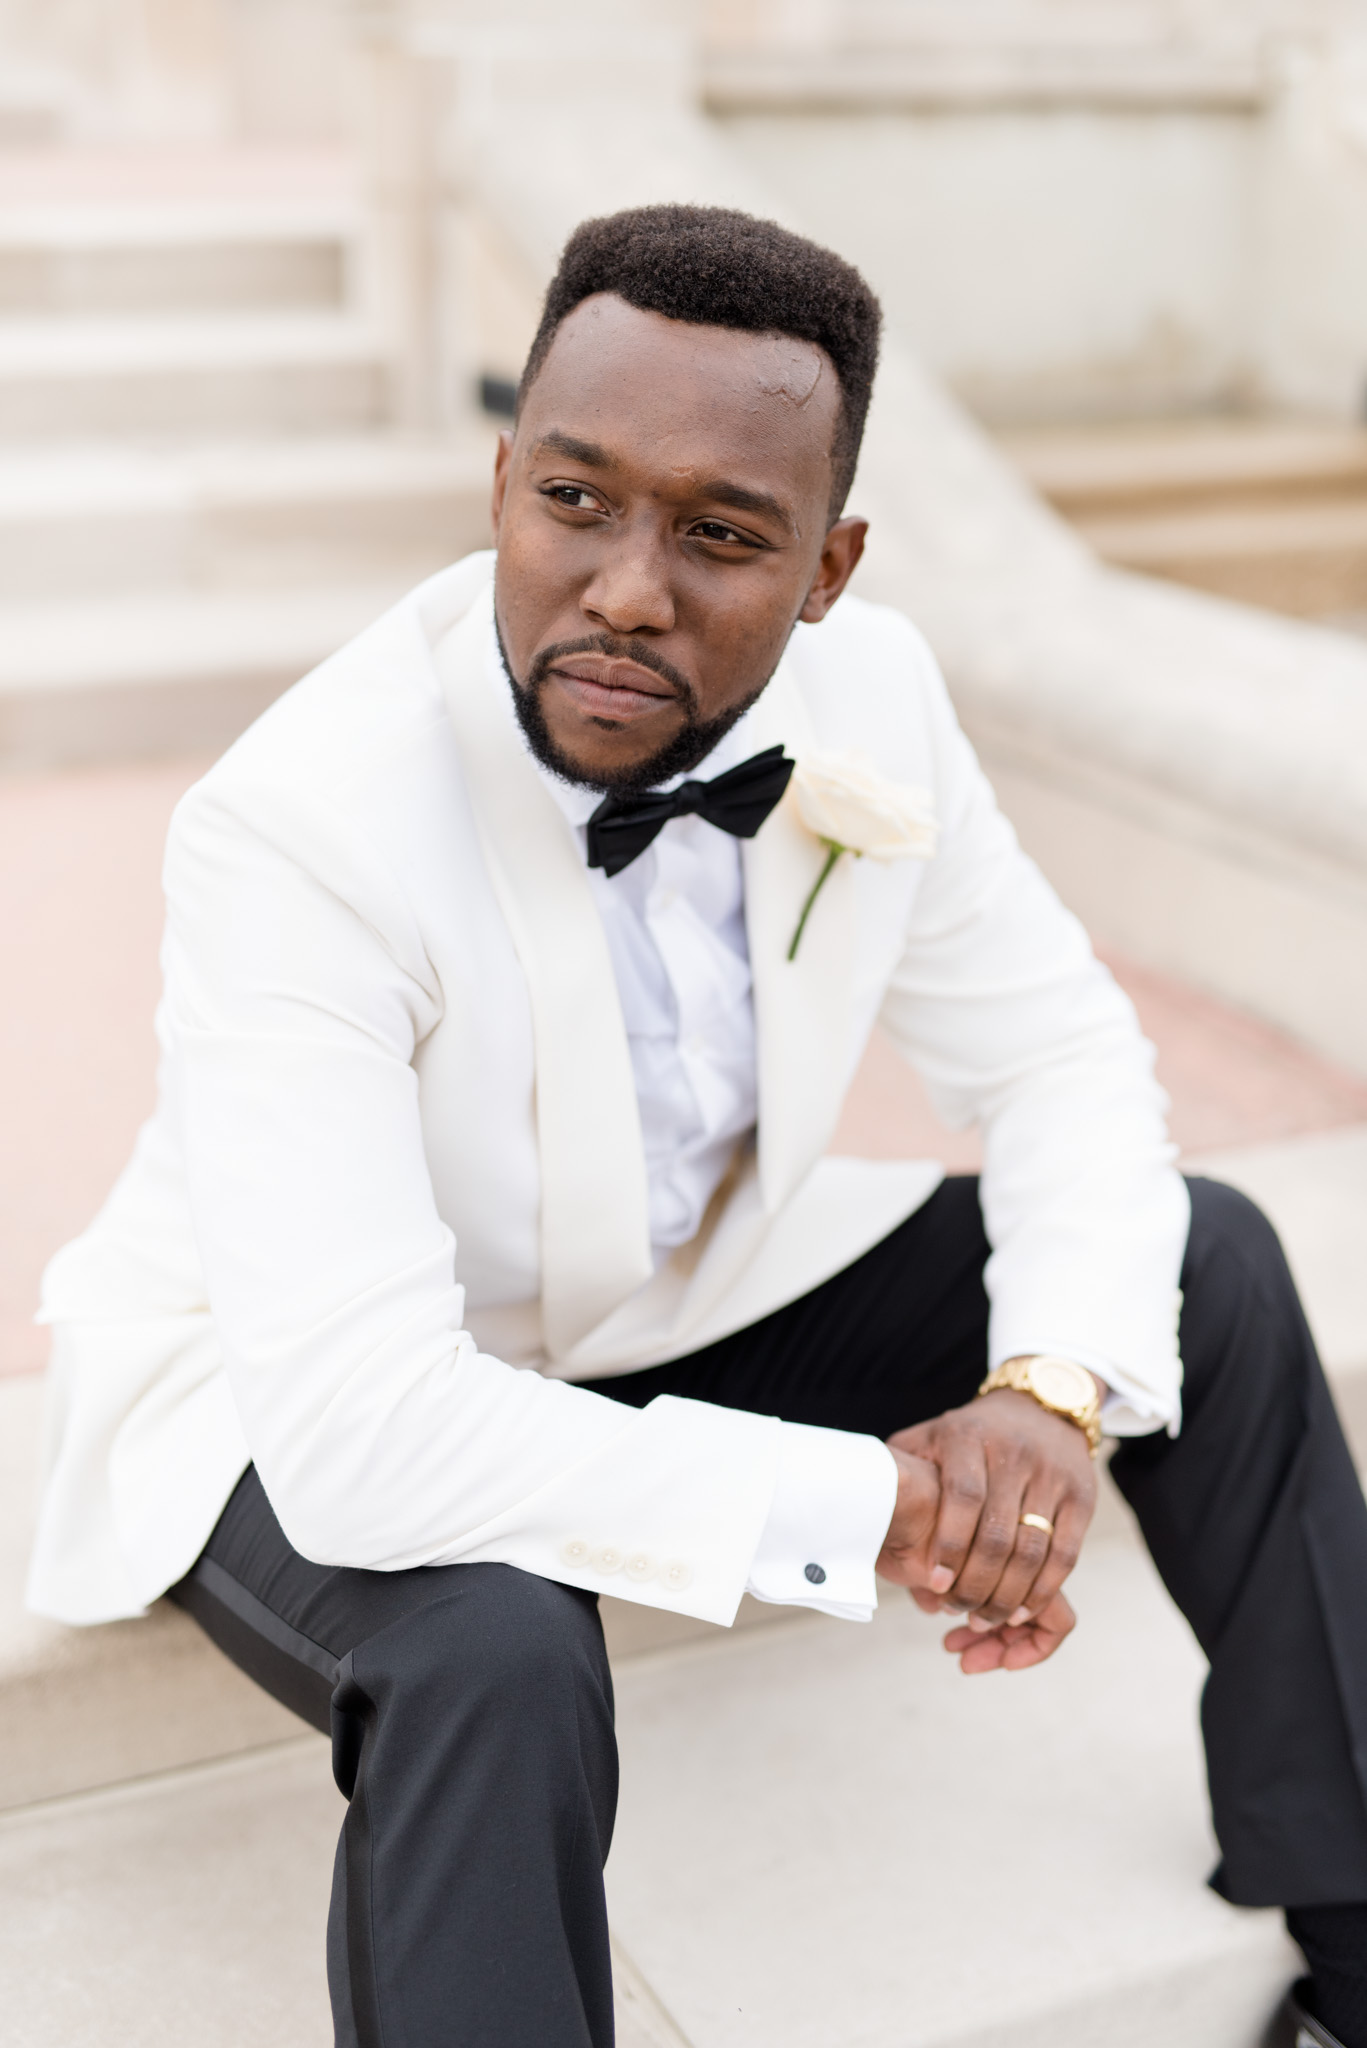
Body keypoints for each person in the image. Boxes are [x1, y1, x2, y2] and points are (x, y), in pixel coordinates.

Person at [25, 204, 1367, 2048]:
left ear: (831, 567)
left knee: (1196, 1261)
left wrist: (1045, 1400)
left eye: (724, 534)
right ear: (502, 480)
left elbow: (1059, 1058)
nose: (630, 589)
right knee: (494, 1648)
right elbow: (363, 1442)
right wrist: (876, 1500)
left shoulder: (874, 694)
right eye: (574, 501)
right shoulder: (302, 823)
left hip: (668, 1296)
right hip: (279, 1387)